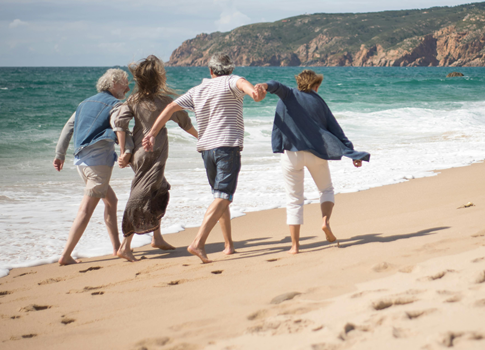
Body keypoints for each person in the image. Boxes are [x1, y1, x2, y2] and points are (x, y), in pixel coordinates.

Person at [143, 55, 265, 263]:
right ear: (231, 69)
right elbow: (251, 92)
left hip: (207, 149)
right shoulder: (233, 80)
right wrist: (257, 93)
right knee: (223, 196)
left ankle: (228, 245)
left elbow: (170, 108)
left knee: (219, 197)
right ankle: (198, 243)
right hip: (226, 147)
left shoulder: (197, 90)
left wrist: (152, 133)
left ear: (210, 71)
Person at [254, 70, 369, 254]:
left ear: (298, 83)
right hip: (316, 153)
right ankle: (325, 222)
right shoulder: (319, 102)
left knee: (294, 200)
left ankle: (295, 246)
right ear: (316, 86)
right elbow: (336, 130)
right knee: (326, 190)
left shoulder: (288, 94)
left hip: (291, 155)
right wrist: (353, 153)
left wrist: (264, 86)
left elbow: (276, 86)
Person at [112, 56, 199, 262]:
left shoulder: (133, 100)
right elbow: (184, 122)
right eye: (162, 73)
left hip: (139, 155)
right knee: (140, 196)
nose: (165, 75)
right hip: (153, 155)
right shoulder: (164, 101)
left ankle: (157, 237)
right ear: (156, 78)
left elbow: (120, 123)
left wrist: (125, 151)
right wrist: (200, 137)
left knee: (159, 190)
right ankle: (125, 246)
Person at [53, 69, 130, 265]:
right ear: (114, 83)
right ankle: (66, 255)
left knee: (111, 201)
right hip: (98, 163)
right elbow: (119, 125)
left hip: (81, 163)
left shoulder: (84, 103)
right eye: (125, 83)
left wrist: (60, 154)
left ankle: (116, 248)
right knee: (85, 210)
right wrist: (125, 151)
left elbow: (68, 127)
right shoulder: (115, 104)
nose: (128, 88)